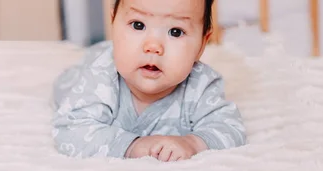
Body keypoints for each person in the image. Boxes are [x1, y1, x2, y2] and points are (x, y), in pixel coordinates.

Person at [51, 0, 246, 161]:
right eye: (138, 25)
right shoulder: (100, 76)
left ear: (202, 44)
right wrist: (132, 146)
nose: (153, 46)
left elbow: (230, 128)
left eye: (175, 32)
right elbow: (70, 130)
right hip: (89, 67)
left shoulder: (201, 86)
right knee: (70, 82)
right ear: (114, 24)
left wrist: (193, 143)